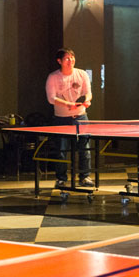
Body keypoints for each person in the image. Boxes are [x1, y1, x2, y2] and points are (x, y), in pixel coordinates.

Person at [45, 48, 93, 188]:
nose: (70, 60)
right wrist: (69, 104)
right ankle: (61, 178)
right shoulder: (53, 77)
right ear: (59, 61)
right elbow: (51, 98)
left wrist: (87, 101)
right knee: (61, 150)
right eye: (67, 58)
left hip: (81, 117)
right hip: (61, 118)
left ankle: (85, 176)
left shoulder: (82, 74)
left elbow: (88, 93)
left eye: (72, 57)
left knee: (85, 148)